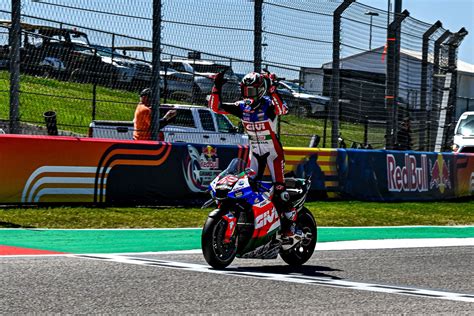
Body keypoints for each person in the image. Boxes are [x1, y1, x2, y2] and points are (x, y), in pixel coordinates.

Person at [209, 71, 302, 242]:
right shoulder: (242, 106)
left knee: (280, 189)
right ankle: (252, 220)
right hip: (255, 152)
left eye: (251, 91)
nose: (247, 94)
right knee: (248, 186)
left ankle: (290, 226)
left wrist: (274, 90)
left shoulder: (269, 105)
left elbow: (283, 110)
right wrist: (217, 86)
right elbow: (216, 108)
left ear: (260, 90)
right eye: (245, 90)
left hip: (273, 153)